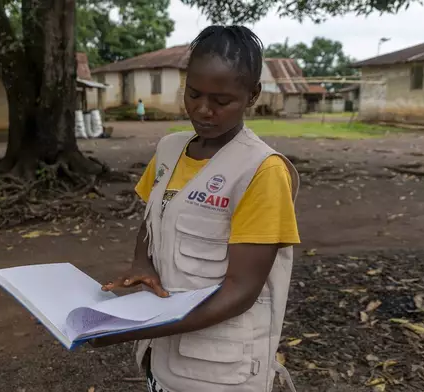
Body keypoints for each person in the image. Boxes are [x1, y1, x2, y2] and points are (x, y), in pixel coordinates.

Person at [94, 25, 300, 392]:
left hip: (220, 370)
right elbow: (152, 217)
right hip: (163, 357)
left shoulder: (262, 171)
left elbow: (241, 291)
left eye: (221, 101)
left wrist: (133, 327)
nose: (203, 110)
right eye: (193, 94)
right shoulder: (170, 149)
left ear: (252, 95)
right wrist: (142, 263)